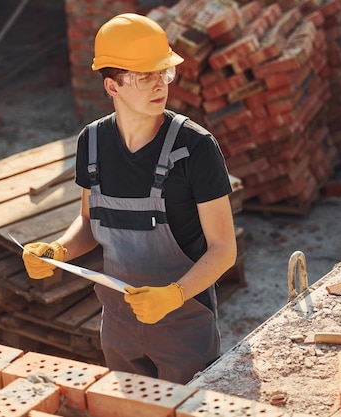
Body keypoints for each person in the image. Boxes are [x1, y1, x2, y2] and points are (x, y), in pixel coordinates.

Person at [22, 12, 237, 385]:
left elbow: (223, 249)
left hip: (183, 324)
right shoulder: (91, 143)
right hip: (118, 326)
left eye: (163, 73)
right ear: (112, 86)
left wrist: (175, 295)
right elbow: (91, 222)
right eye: (143, 77)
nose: (159, 85)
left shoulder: (195, 148)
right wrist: (56, 251)